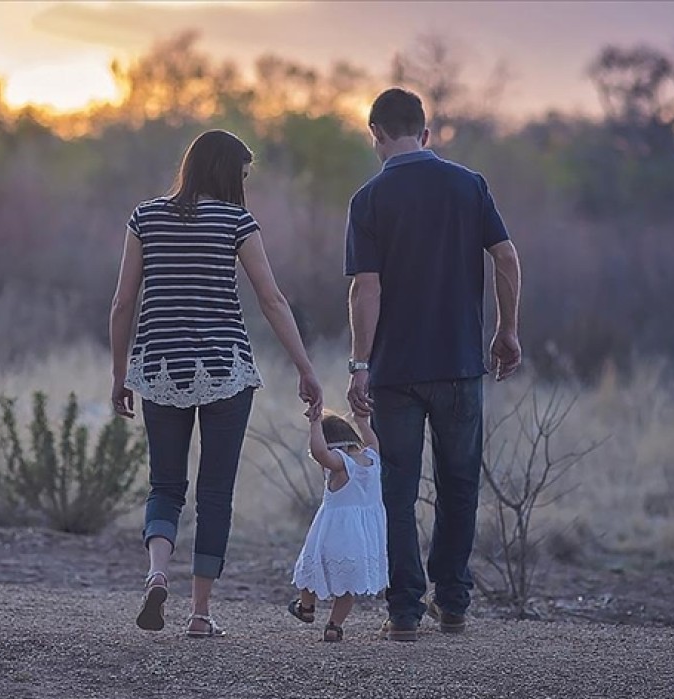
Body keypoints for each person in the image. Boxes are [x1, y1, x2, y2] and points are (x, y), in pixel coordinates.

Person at [109, 129, 323, 638]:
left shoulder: (145, 217)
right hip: (225, 369)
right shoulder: (236, 222)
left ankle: (158, 572)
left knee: (165, 484)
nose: (245, 185)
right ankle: (200, 614)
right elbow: (272, 300)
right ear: (228, 173)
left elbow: (122, 303)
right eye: (243, 175)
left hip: (159, 368)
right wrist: (305, 367)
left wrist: (121, 375)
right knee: (215, 493)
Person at [343, 88, 523, 642]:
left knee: (397, 491)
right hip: (460, 364)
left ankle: (403, 613)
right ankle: (454, 603)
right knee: (459, 483)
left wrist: (359, 363)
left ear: (374, 133)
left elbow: (365, 289)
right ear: (426, 133)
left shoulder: (369, 198)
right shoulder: (469, 186)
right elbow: (506, 256)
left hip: (396, 372)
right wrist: (507, 329)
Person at [287, 411, 388, 642]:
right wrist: (363, 421)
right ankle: (334, 626)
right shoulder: (372, 458)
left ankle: (307, 607)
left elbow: (321, 453)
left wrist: (314, 424)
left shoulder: (341, 464)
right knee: (348, 585)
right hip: (362, 538)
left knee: (310, 568)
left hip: (334, 534)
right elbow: (372, 440)